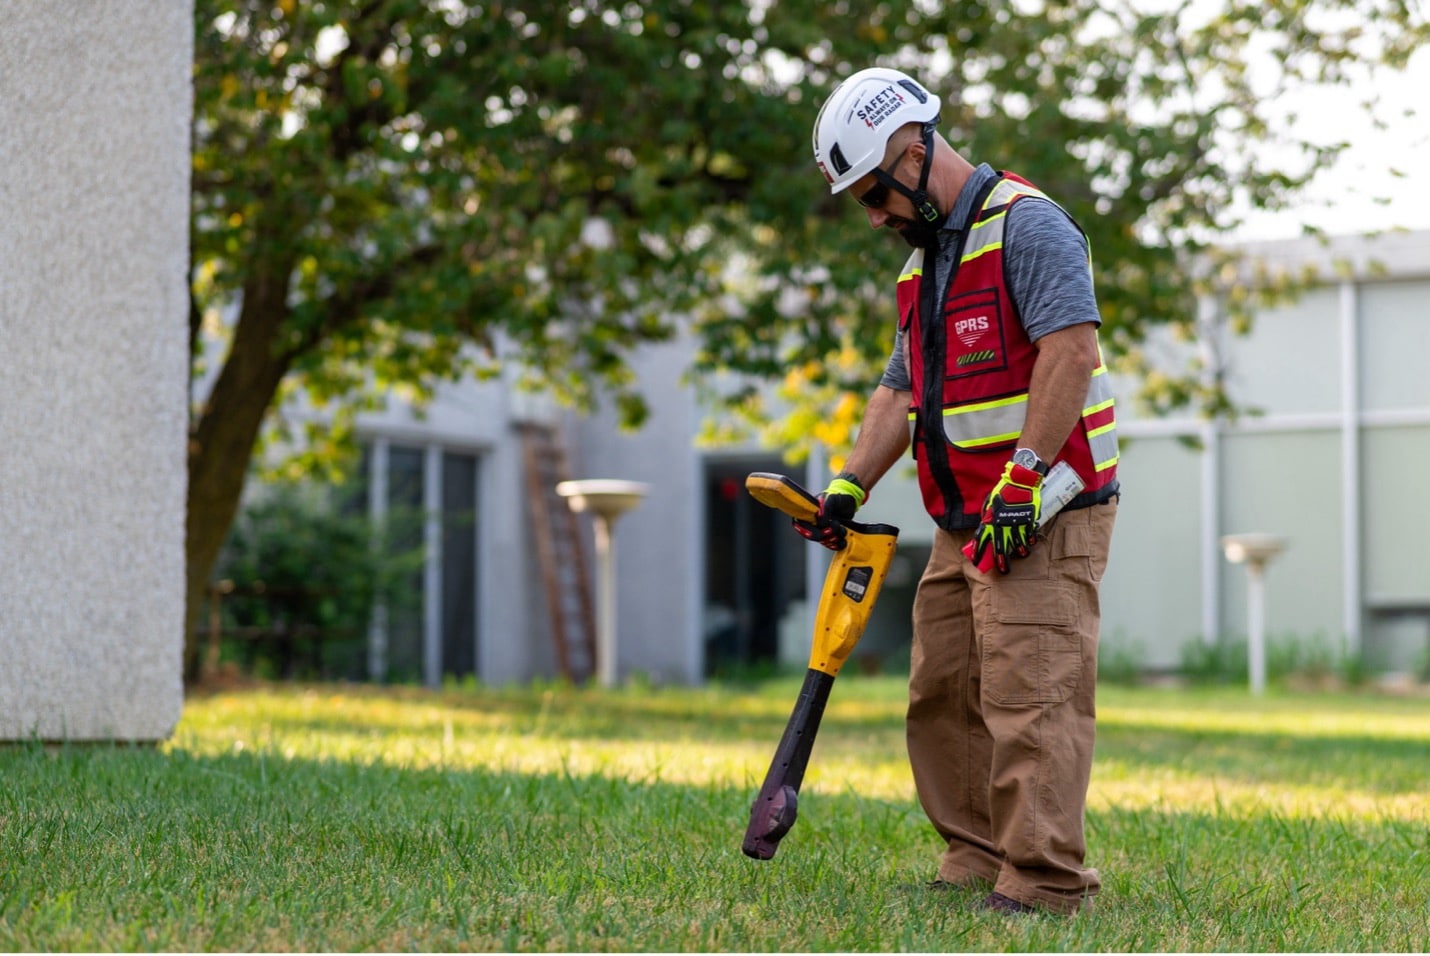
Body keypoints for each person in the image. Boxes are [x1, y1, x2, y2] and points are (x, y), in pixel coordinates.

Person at [801, 66, 1121, 916]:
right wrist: (846, 483)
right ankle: (978, 853)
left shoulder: (1029, 227)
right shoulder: (923, 267)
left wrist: (1022, 482)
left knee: (1031, 690)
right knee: (943, 690)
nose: (873, 215)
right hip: (963, 518)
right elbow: (898, 394)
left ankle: (1045, 881)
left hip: (1042, 509)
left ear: (915, 152)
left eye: (876, 193)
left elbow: (1071, 354)